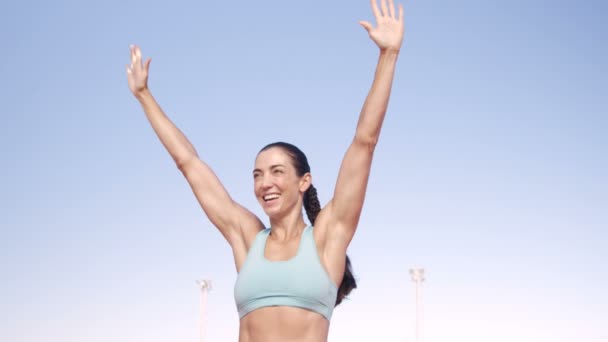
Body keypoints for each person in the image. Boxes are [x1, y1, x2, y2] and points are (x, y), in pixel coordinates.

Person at [126, 0, 404, 340]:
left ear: (304, 181)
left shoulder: (327, 237)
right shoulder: (247, 238)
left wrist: (388, 56)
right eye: (257, 174)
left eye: (276, 172)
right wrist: (144, 96)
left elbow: (365, 141)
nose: (264, 183)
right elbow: (190, 164)